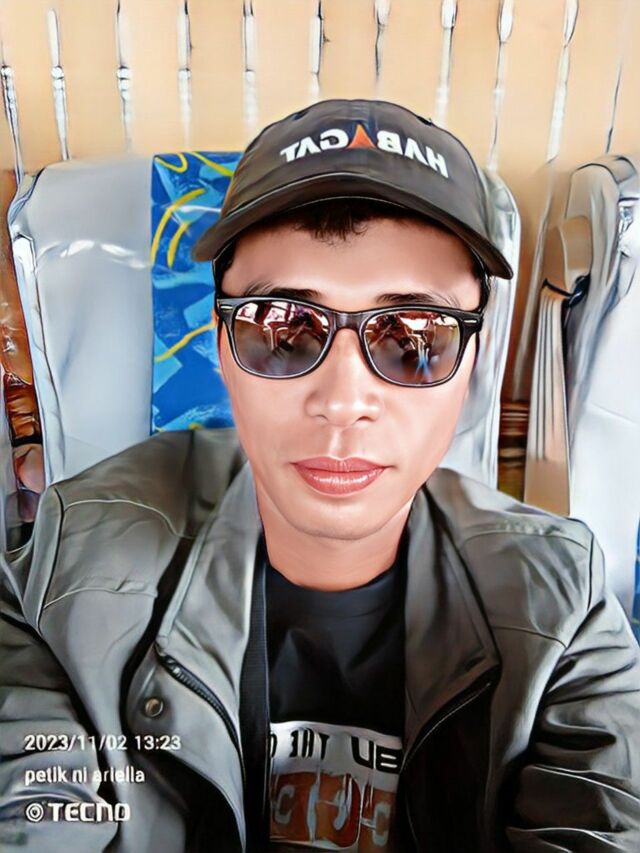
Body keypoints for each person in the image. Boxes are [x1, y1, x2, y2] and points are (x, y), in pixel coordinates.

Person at [1, 98, 639, 853]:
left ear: (468, 365)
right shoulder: (61, 579)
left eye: (414, 338)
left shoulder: (562, 608)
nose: (342, 401)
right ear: (221, 351)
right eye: (283, 330)